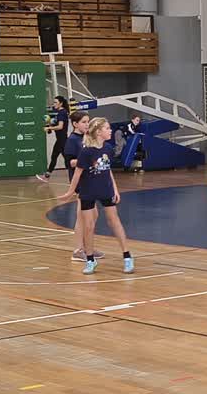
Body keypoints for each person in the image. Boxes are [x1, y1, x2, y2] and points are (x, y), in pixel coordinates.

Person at [68, 118, 135, 275]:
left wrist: (115, 189)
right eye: (107, 128)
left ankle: (127, 256)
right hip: (88, 192)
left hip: (105, 189)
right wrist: (70, 193)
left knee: (114, 221)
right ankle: (90, 260)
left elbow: (108, 170)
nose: (110, 131)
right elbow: (77, 174)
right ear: (98, 132)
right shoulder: (86, 152)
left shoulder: (108, 149)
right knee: (89, 226)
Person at [58, 108, 101, 263]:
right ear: (75, 124)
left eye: (88, 122)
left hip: (90, 179)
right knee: (82, 217)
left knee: (93, 215)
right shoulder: (72, 140)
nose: (87, 124)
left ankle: (87, 247)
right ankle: (78, 250)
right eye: (83, 122)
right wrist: (88, 159)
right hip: (80, 181)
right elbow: (70, 162)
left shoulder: (87, 138)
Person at [36, 96, 71, 180]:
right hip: (60, 140)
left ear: (61, 103)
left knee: (67, 160)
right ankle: (47, 175)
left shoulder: (62, 112)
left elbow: (60, 127)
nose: (54, 104)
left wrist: (49, 128)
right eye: (54, 102)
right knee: (55, 156)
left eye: (55, 102)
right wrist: (49, 126)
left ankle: (77, 175)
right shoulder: (57, 112)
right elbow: (54, 123)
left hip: (63, 140)